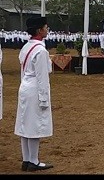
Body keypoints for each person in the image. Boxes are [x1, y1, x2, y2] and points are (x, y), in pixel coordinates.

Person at [14, 16, 54, 171]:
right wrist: (44, 98)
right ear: (40, 30)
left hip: (25, 86)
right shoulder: (41, 51)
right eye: (46, 27)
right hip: (35, 88)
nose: (47, 29)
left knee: (25, 124)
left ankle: (27, 159)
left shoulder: (26, 47)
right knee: (35, 125)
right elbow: (43, 77)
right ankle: (34, 160)